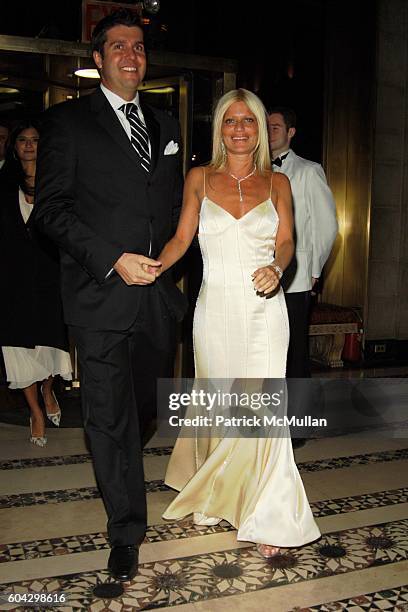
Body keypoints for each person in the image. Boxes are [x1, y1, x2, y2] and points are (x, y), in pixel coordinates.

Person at [34, 9, 185, 581]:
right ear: (98, 60)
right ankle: (125, 528)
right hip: (99, 295)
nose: (131, 55)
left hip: (156, 298)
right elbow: (50, 210)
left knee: (144, 407)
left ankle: (126, 454)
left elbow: (174, 209)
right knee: (106, 416)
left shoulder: (167, 125)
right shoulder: (67, 123)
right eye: (118, 47)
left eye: (139, 47)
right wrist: (111, 259)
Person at [157, 89, 320, 558]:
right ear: (220, 129)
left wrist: (278, 266)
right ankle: (217, 491)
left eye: (249, 120)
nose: (241, 128)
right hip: (215, 310)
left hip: (265, 309)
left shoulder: (279, 183)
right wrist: (151, 267)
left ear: (260, 130)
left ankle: (268, 510)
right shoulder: (198, 178)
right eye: (231, 120)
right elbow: (181, 239)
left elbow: (287, 241)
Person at [267, 107, 338, 447]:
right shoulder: (254, 171)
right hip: (260, 279)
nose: (270, 131)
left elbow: (326, 227)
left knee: (294, 354)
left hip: (295, 279)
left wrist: (313, 271)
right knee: (268, 353)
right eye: (265, 126)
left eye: (276, 126)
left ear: (291, 132)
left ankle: (297, 428)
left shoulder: (310, 172)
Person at [0, 120, 72, 447]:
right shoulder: (2, 182)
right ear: (14, 147)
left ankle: (47, 388)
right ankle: (36, 412)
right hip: (12, 277)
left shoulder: (56, 181)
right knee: (17, 348)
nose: (29, 145)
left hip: (50, 274)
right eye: (23, 140)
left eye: (35, 139)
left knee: (50, 344)